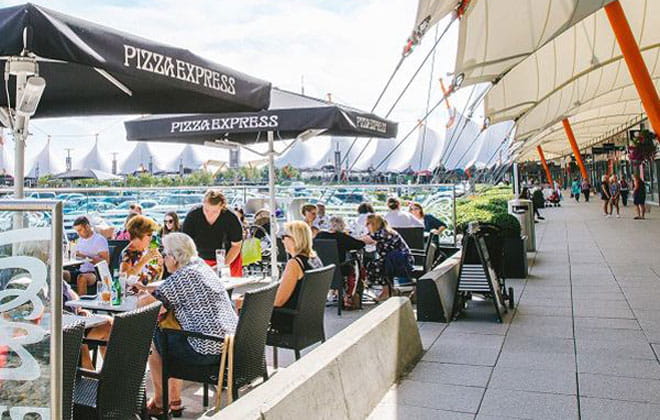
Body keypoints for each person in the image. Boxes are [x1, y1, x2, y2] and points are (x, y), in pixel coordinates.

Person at [137, 233, 238, 417]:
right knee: (171, 332)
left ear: (174, 258)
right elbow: (168, 293)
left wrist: (141, 294)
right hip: (229, 345)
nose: (163, 258)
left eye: (164, 254)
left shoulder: (182, 277)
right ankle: (173, 401)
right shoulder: (201, 267)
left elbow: (148, 305)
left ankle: (161, 402)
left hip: (205, 350)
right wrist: (150, 291)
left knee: (153, 335)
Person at [269, 221, 323, 333]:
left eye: (284, 237)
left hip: (290, 320)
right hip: (309, 320)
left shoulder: (295, 263)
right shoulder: (315, 259)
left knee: (245, 308)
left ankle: (244, 348)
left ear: (295, 239)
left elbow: (278, 301)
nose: (282, 240)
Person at [182, 190, 243, 276]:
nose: (209, 215)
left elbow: (236, 246)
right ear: (203, 203)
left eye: (214, 212)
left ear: (222, 207)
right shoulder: (193, 215)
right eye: (206, 210)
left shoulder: (231, 218)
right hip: (199, 260)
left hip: (227, 258)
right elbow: (185, 244)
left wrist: (222, 266)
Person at [361, 214, 413, 301]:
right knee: (377, 264)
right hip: (397, 259)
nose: (366, 226)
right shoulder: (384, 231)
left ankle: (386, 292)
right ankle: (389, 290)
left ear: (374, 224)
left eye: (368, 224)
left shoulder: (383, 233)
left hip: (400, 261)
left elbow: (366, 239)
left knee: (375, 266)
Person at [69, 216, 109, 295]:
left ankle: (80, 306)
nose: (78, 233)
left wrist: (85, 256)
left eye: (80, 230)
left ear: (87, 227)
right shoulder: (80, 240)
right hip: (80, 270)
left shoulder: (99, 240)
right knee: (62, 274)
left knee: (81, 278)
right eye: (77, 231)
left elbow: (105, 262)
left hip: (95, 273)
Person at [119, 215, 163, 286]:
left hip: (150, 292)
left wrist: (160, 264)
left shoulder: (147, 249)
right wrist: (145, 259)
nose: (151, 238)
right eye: (149, 234)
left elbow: (156, 276)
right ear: (139, 234)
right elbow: (124, 278)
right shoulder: (128, 253)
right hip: (135, 295)